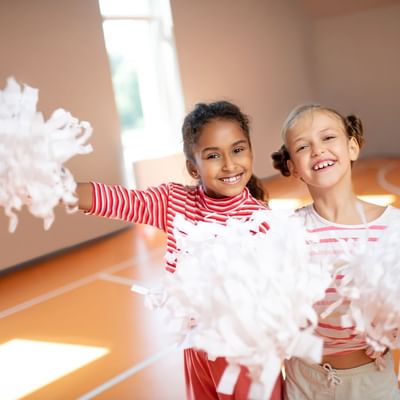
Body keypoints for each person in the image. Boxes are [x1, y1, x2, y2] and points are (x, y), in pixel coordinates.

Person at [77, 100, 283, 400]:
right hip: (197, 346)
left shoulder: (263, 221)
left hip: (247, 351)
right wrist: (55, 188)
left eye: (238, 150)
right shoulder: (174, 202)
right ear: (192, 166)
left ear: (250, 151)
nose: (229, 164)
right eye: (213, 155)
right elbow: (115, 199)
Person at [271, 103, 400, 400]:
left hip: (371, 382)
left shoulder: (392, 227)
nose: (317, 150)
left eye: (328, 138)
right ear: (292, 166)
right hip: (303, 381)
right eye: (303, 146)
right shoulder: (286, 231)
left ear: (352, 147)